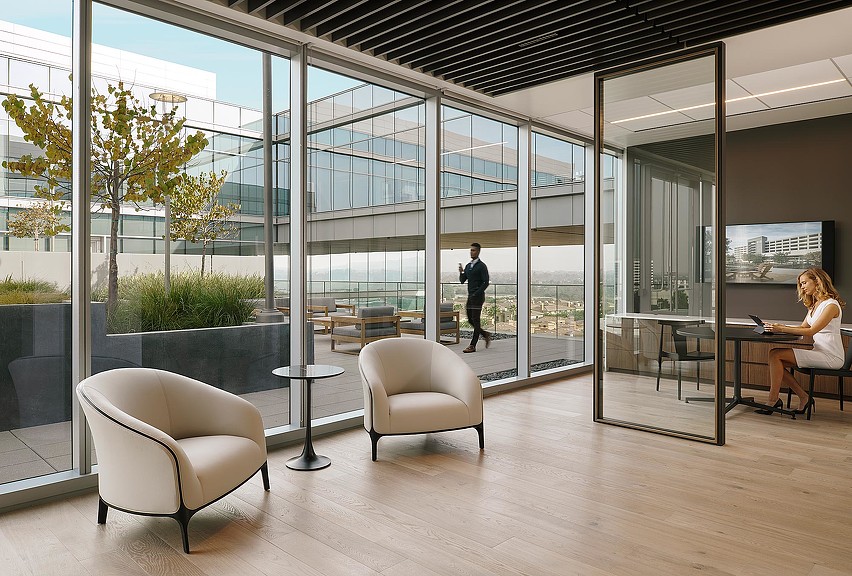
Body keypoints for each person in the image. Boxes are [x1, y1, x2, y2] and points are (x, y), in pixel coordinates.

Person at [756, 267, 845, 415]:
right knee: (775, 357)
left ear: (817, 281)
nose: (802, 287)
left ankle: (773, 400)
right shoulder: (815, 304)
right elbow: (803, 327)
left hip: (832, 357)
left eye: (804, 283)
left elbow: (811, 331)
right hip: (819, 352)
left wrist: (781, 329)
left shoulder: (831, 305)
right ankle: (803, 397)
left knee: (776, 355)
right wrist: (776, 326)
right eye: (800, 284)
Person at [458, 242, 491, 353]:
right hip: (470, 297)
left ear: (478, 251)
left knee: (476, 320)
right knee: (470, 319)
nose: (471, 252)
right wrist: (461, 272)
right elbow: (462, 280)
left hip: (478, 297)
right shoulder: (468, 266)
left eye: (473, 250)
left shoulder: (482, 266)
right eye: (471, 250)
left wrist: (477, 293)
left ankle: (472, 345)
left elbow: (486, 282)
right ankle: (485, 334)